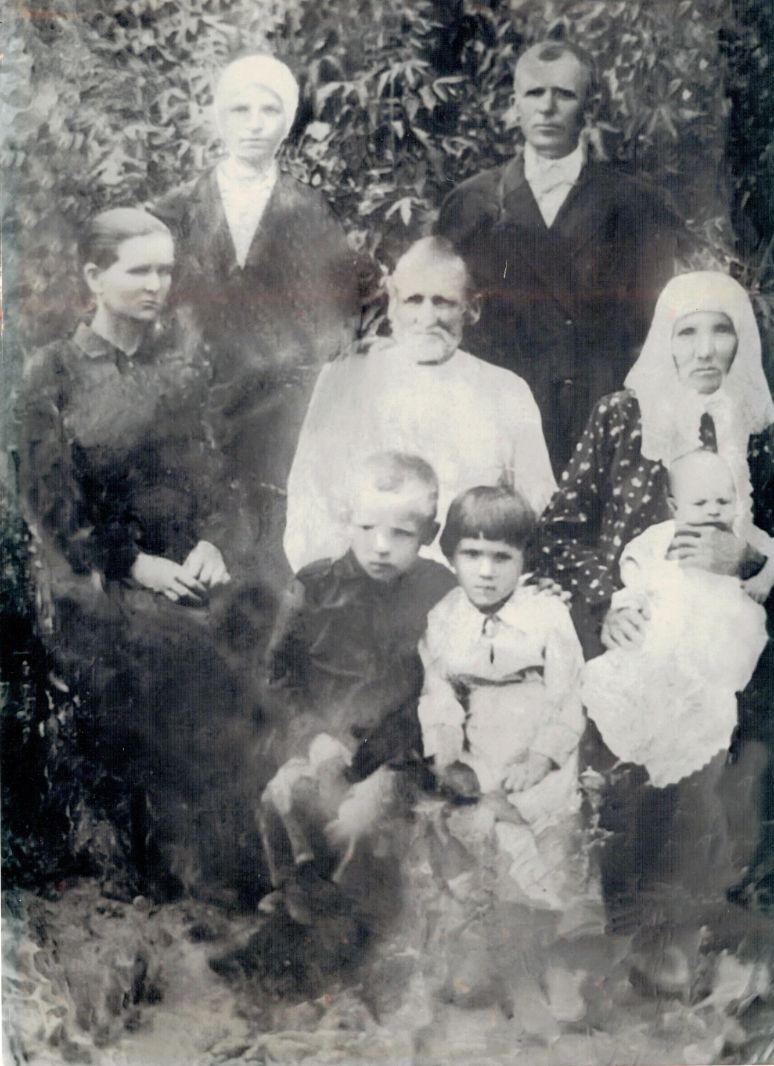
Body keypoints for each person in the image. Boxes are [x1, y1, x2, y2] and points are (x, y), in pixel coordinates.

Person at [538, 271, 774, 992]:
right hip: (633, 642)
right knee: (623, 789)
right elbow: (559, 533)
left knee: (703, 797)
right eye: (688, 331)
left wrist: (746, 560)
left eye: (723, 330)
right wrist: (606, 606)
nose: (705, 349)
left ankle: (678, 935)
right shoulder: (623, 418)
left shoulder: (763, 431)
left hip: (727, 649)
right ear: (664, 340)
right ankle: (617, 937)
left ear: (743, 342)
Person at [15, 208, 258, 902]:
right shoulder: (51, 375)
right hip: (92, 578)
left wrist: (215, 543)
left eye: (165, 271)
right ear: (94, 276)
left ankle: (248, 850)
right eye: (139, 270)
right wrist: (134, 564)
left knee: (261, 618)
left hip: (179, 569)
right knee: (175, 645)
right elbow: (53, 507)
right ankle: (170, 866)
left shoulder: (179, 370)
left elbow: (215, 484)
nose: (157, 285)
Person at [152, 53, 361, 586]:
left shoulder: (311, 211)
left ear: (286, 122)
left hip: (278, 418)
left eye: (268, 111)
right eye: (239, 110)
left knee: (266, 562)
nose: (253, 124)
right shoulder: (172, 211)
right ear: (219, 117)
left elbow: (332, 320)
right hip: (189, 409)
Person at [436, 39, 681, 473]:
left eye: (564, 94)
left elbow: (654, 330)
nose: (547, 108)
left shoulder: (635, 204)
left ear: (589, 105)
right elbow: (443, 315)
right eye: (534, 93)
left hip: (599, 418)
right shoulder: (471, 204)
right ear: (515, 104)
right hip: (499, 420)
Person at [256, 452, 456, 923]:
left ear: (429, 533)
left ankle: (345, 914)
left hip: (397, 753)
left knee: (357, 822)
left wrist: (385, 752)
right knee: (280, 796)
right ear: (346, 518)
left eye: (401, 533)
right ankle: (296, 887)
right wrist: (313, 737)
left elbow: (443, 681)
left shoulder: (441, 590)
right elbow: (278, 673)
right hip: (324, 742)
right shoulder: (313, 585)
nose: (381, 547)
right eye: (367, 528)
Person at [283, 236, 556, 572]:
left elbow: (535, 514)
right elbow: (309, 507)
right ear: (392, 303)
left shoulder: (508, 391)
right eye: (414, 300)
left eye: (443, 302)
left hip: (469, 586)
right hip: (360, 584)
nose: (427, 318)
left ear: (472, 308)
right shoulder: (345, 379)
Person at [417, 486, 588, 918]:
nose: (486, 571)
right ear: (451, 555)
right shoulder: (443, 618)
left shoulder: (547, 613)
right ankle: (495, 919)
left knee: (551, 847)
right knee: (476, 833)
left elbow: (569, 696)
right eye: (472, 554)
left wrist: (540, 757)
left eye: (502, 557)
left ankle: (560, 920)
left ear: (524, 559)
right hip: (481, 748)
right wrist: (446, 754)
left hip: (541, 747)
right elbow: (439, 697)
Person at [582, 449, 774, 790]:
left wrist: (762, 579)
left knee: (707, 712)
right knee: (647, 696)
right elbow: (635, 575)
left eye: (723, 501)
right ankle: (631, 770)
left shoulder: (742, 534)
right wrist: (630, 604)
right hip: (671, 634)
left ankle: (673, 779)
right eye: (700, 503)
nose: (713, 510)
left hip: (723, 637)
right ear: (674, 507)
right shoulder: (661, 538)